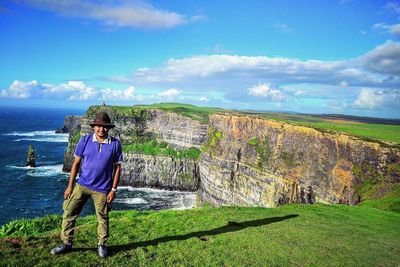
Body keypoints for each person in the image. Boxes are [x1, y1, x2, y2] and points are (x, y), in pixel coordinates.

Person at [51, 112, 123, 258]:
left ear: (108, 128)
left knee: (102, 218)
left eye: (104, 127)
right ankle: (66, 244)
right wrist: (69, 186)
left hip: (103, 189)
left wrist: (113, 189)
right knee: (69, 212)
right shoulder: (84, 140)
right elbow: (75, 164)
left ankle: (102, 245)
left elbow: (117, 169)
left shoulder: (115, 144)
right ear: (94, 127)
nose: (101, 129)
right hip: (82, 185)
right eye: (99, 126)